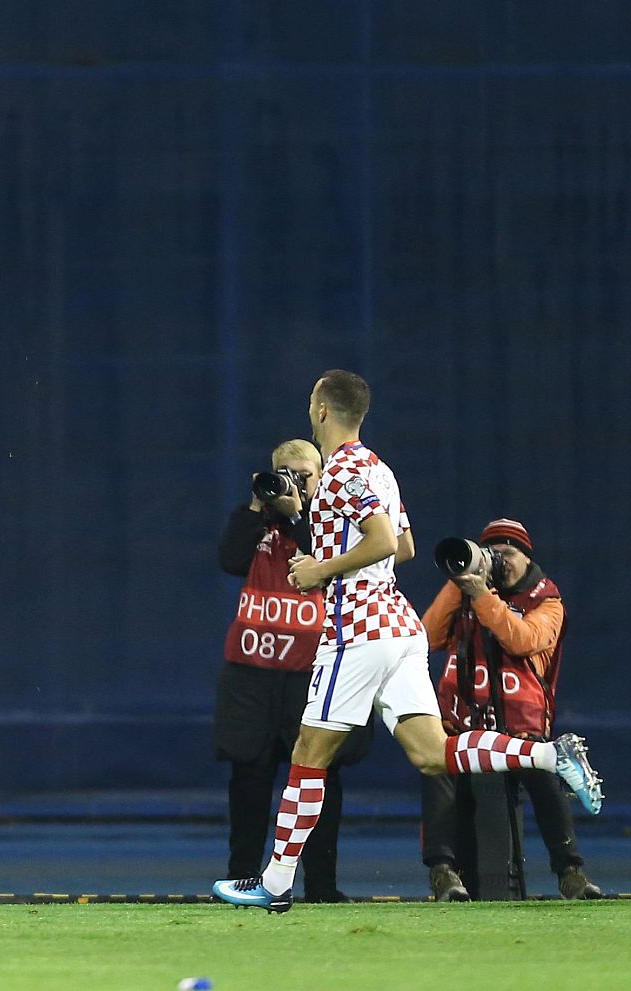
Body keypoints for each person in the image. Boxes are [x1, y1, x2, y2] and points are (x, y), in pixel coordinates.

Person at [212, 369, 603, 913]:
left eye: (311, 401)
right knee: (431, 754)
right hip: (398, 625)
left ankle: (273, 887)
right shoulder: (380, 469)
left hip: (360, 629)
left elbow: (378, 540)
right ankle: (547, 755)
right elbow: (407, 547)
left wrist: (323, 569)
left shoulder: (343, 469)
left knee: (308, 754)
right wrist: (328, 548)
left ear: (321, 409)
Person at [216, 439, 370, 903]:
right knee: (249, 777)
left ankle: (321, 886)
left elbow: (328, 559)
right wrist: (258, 504)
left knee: (318, 775)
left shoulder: (332, 522)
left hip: (311, 668)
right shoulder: (255, 520)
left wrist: (300, 512)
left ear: (320, 477)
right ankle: (243, 879)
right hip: (252, 671)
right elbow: (229, 559)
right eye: (283, 473)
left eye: (302, 475)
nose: (291, 483)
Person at [420, 519, 602, 901]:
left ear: (527, 558)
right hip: (464, 723)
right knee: (436, 770)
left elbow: (523, 640)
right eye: (493, 553)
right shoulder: (467, 590)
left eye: (508, 554)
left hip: (521, 729)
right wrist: (460, 584)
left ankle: (571, 873)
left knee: (544, 774)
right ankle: (443, 873)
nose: (500, 561)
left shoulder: (547, 600)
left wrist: (483, 595)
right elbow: (429, 636)